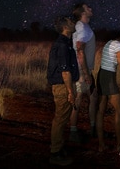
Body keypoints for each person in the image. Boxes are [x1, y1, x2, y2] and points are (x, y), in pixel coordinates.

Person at [47, 15, 79, 166]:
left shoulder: (66, 43)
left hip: (64, 85)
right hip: (62, 85)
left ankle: (58, 148)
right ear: (65, 27)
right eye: (71, 22)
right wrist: (70, 91)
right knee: (60, 119)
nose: (74, 24)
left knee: (62, 118)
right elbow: (65, 71)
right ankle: (55, 153)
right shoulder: (62, 44)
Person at [68, 2, 98, 143]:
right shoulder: (82, 28)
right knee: (79, 99)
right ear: (83, 13)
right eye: (88, 8)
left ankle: (93, 128)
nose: (91, 8)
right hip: (81, 70)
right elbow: (80, 49)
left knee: (92, 96)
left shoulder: (82, 27)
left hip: (83, 68)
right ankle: (73, 132)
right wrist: (85, 74)